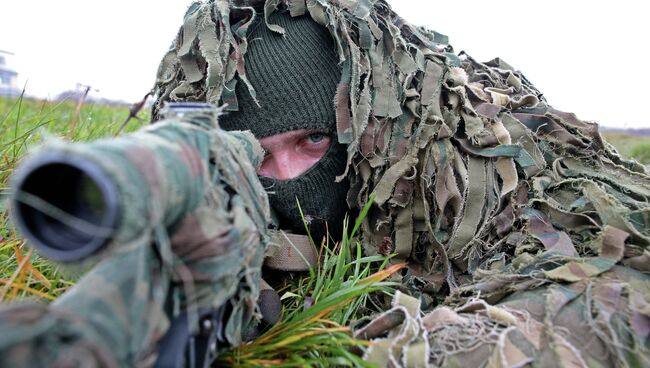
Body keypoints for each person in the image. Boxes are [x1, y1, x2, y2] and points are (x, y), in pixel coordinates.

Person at [152, 0, 650, 366]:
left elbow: (613, 293)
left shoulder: (472, 170)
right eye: (258, 154)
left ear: (368, 130)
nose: (286, 177)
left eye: (315, 140)